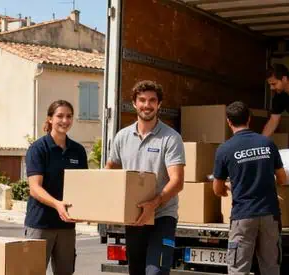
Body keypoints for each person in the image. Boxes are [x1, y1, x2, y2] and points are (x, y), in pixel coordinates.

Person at [105, 80, 186, 275]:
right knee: (137, 272)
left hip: (162, 217)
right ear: (134, 103)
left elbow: (177, 181)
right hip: (134, 218)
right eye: (142, 100)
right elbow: (110, 170)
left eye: (152, 100)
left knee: (155, 272)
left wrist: (154, 203)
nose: (147, 105)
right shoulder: (122, 137)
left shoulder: (170, 138)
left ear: (159, 104)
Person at [212, 101, 286, 275]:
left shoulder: (224, 149)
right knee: (271, 268)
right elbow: (282, 178)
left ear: (228, 121)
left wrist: (229, 188)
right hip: (270, 214)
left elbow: (217, 189)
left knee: (239, 269)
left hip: (243, 216)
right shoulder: (267, 143)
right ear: (250, 119)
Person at [23, 100, 89, 275]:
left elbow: (83, 186)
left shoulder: (78, 151)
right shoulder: (38, 149)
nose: (65, 120)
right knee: (33, 272)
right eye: (60, 116)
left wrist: (85, 210)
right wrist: (57, 204)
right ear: (50, 119)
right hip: (41, 224)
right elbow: (35, 188)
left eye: (69, 116)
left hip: (67, 226)